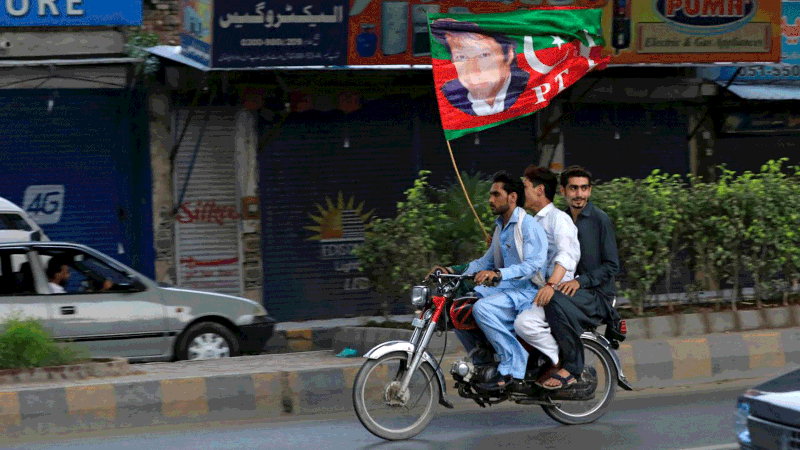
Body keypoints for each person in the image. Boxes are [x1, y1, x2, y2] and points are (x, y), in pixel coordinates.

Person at [430, 171, 547, 391]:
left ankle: (513, 363)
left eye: (496, 194)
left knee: (482, 309)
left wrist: (500, 274)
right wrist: (450, 270)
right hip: (507, 291)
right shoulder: (501, 226)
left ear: (512, 197)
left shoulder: (527, 225)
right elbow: (485, 262)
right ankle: (482, 362)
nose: (490, 199)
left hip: (526, 292)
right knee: (459, 308)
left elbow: (534, 265)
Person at [541, 166, 626, 389]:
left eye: (584, 188)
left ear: (590, 190)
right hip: (571, 290)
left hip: (597, 295)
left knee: (553, 299)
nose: (579, 194)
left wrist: (580, 281)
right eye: (574, 188)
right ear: (563, 191)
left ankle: (572, 367)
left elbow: (611, 265)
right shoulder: (560, 218)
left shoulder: (600, 220)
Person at [513, 166, 580, 388]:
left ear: (540, 190)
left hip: (557, 293)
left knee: (524, 323)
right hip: (535, 290)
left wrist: (552, 285)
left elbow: (566, 255)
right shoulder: (532, 222)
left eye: (525, 187)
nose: (521, 193)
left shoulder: (558, 219)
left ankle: (557, 360)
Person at [430, 20, 530, 117]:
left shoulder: (531, 87)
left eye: (484, 55)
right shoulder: (443, 98)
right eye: (461, 57)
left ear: (509, 53)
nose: (474, 71)